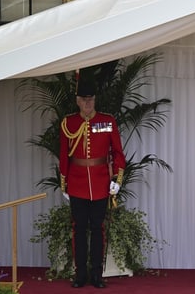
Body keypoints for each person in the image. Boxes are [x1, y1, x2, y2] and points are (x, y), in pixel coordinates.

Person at [59, 79, 126, 289]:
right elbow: (63, 156)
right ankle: (80, 274)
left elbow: (117, 153)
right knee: (79, 230)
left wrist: (117, 178)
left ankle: (97, 274)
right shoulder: (68, 124)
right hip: (77, 183)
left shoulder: (107, 121)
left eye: (91, 99)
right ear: (78, 101)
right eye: (84, 100)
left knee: (98, 229)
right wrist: (64, 183)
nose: (88, 103)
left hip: (100, 183)